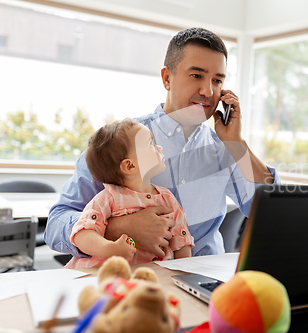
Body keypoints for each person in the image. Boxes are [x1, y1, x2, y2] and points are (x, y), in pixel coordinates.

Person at [45, 27, 280, 259]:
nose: (208, 91)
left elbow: (274, 212)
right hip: (136, 282)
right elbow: (56, 225)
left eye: (217, 80)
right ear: (167, 78)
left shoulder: (228, 148)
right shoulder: (119, 141)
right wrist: (120, 227)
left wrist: (236, 142)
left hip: (206, 280)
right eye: (197, 75)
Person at [64, 118, 193, 269]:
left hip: (152, 277)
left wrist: (184, 271)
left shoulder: (168, 199)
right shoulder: (107, 198)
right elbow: (82, 233)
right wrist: (109, 248)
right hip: (104, 276)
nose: (160, 148)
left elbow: (181, 241)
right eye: (151, 144)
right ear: (130, 165)